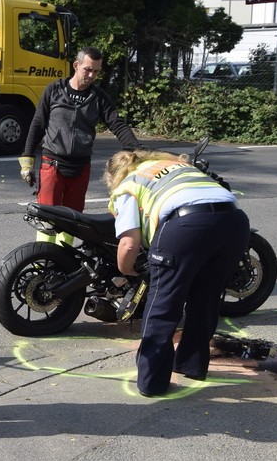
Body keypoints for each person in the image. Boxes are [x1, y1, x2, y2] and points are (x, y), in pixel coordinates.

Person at [104, 148, 250, 397]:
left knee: (163, 304)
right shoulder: (178, 167)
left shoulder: (129, 184)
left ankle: (152, 382)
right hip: (234, 224)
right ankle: (191, 365)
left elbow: (129, 243)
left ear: (115, 175)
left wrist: (126, 271)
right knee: (205, 300)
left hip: (185, 227)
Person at [18, 48, 141, 242]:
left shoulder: (98, 97)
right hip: (52, 164)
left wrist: (139, 149)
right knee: (48, 218)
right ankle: (44, 262)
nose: (92, 75)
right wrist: (27, 161)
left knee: (73, 220)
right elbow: (37, 125)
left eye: (97, 71)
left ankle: (63, 265)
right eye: (88, 69)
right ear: (76, 65)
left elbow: (117, 124)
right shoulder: (54, 90)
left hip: (80, 167)